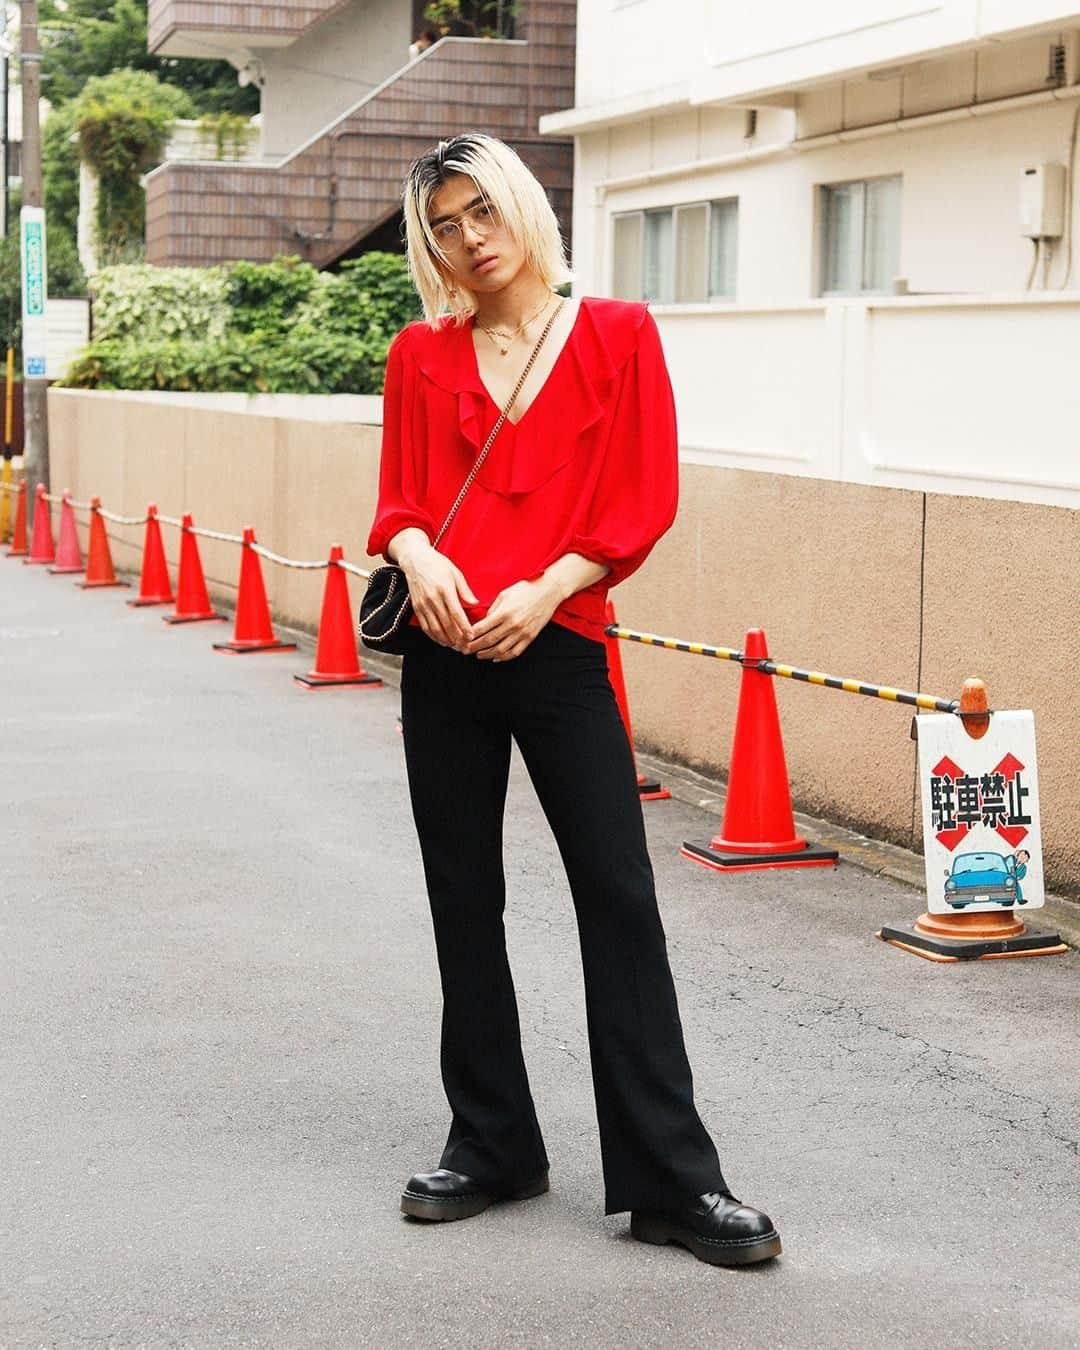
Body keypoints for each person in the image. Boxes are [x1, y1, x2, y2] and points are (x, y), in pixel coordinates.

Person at [366, 133, 780, 1268]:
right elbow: (399, 499)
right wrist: (421, 555)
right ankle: (492, 1142)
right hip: (446, 647)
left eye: (480, 212)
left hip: (562, 646)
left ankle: (671, 1182)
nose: (468, 240)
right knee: (464, 897)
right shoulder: (419, 353)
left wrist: (547, 587)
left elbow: (642, 497)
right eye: (443, 225)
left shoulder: (617, 335)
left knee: (618, 898)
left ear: (522, 208)